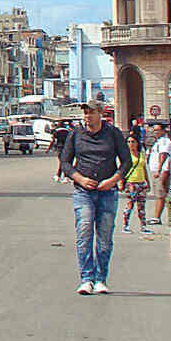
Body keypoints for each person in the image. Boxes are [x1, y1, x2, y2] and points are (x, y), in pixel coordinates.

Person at [59, 99, 132, 295]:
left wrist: (113, 179)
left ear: (100, 114)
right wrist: (80, 178)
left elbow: (127, 162)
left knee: (104, 237)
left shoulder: (113, 133)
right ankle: (86, 279)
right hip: (84, 192)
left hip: (107, 191)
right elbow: (65, 162)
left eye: (91, 113)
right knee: (84, 232)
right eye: (85, 113)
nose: (87, 117)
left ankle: (101, 279)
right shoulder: (76, 134)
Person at [120, 134, 149, 233]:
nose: (131, 144)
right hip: (131, 182)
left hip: (141, 181)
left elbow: (144, 168)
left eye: (133, 142)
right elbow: (122, 169)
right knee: (130, 204)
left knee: (141, 205)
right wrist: (121, 182)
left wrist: (147, 181)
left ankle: (143, 226)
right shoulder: (126, 155)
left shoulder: (141, 154)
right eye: (129, 142)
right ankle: (125, 225)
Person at [148, 123, 171, 224]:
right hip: (156, 170)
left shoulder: (164, 141)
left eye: (157, 130)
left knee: (161, 194)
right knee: (161, 194)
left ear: (163, 131)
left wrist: (159, 170)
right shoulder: (158, 141)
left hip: (162, 171)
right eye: (154, 130)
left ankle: (157, 217)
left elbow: (163, 155)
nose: (155, 132)